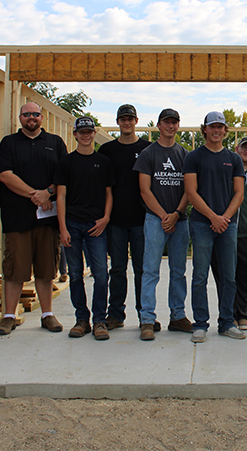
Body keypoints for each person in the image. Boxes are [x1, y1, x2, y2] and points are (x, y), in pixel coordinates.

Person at [0, 101, 67, 336]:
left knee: (46, 270)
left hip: (48, 220)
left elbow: (65, 174)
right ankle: (8, 316)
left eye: (35, 114)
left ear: (42, 117)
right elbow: (5, 175)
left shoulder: (55, 143)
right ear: (20, 118)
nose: (31, 118)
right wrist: (35, 195)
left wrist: (49, 192)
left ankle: (47, 315)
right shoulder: (9, 143)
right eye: (27, 115)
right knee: (15, 269)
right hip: (18, 219)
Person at [184, 111, 246, 343]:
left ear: (225, 130)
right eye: (212, 127)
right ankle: (200, 324)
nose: (216, 130)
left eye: (220, 127)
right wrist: (213, 217)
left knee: (229, 276)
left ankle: (227, 323)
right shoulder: (194, 157)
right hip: (201, 224)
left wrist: (224, 218)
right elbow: (191, 193)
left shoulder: (234, 158)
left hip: (227, 225)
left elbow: (239, 193)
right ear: (205, 129)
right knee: (200, 276)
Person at [133, 108, 193, 340]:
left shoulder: (186, 155)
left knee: (179, 271)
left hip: (181, 220)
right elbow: (144, 190)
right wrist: (163, 216)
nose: (170, 126)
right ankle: (147, 319)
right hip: (154, 220)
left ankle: (178, 316)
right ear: (159, 125)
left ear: (178, 126)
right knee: (150, 271)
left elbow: (190, 189)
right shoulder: (148, 154)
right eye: (166, 122)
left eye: (174, 122)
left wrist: (176, 214)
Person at [55, 117, 114, 340]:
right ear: (75, 135)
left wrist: (106, 218)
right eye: (82, 132)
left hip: (96, 225)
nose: (86, 135)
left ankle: (99, 320)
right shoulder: (66, 163)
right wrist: (62, 227)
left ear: (94, 133)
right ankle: (82, 320)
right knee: (76, 274)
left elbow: (109, 194)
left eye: (89, 131)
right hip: (72, 224)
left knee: (100, 274)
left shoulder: (104, 162)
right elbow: (60, 197)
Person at [98, 104, 151, 331]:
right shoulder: (107, 150)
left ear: (136, 121)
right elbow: (100, 186)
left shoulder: (148, 149)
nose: (127, 123)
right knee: (117, 269)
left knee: (142, 269)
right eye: (123, 119)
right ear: (118, 122)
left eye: (130, 119)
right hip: (115, 221)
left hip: (141, 219)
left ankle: (144, 316)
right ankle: (116, 314)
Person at [210, 136, 247, 330]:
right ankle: (228, 316)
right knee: (225, 278)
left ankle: (242, 314)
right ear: (237, 149)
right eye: (244, 148)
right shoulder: (225, 172)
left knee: (246, 279)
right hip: (223, 233)